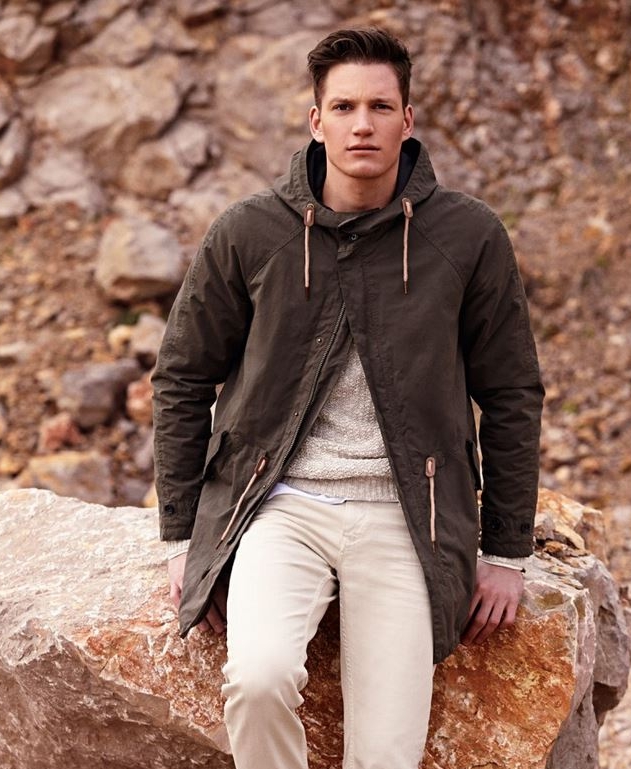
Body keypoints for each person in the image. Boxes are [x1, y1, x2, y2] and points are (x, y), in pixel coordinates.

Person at [152, 27, 543, 769]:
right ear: (316, 121)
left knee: (386, 754)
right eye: (344, 107)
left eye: (380, 107)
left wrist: (505, 551)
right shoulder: (250, 232)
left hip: (408, 514)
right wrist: (181, 538)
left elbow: (512, 392)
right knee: (258, 679)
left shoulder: (468, 236)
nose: (362, 124)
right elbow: (181, 377)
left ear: (408, 119)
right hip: (280, 506)